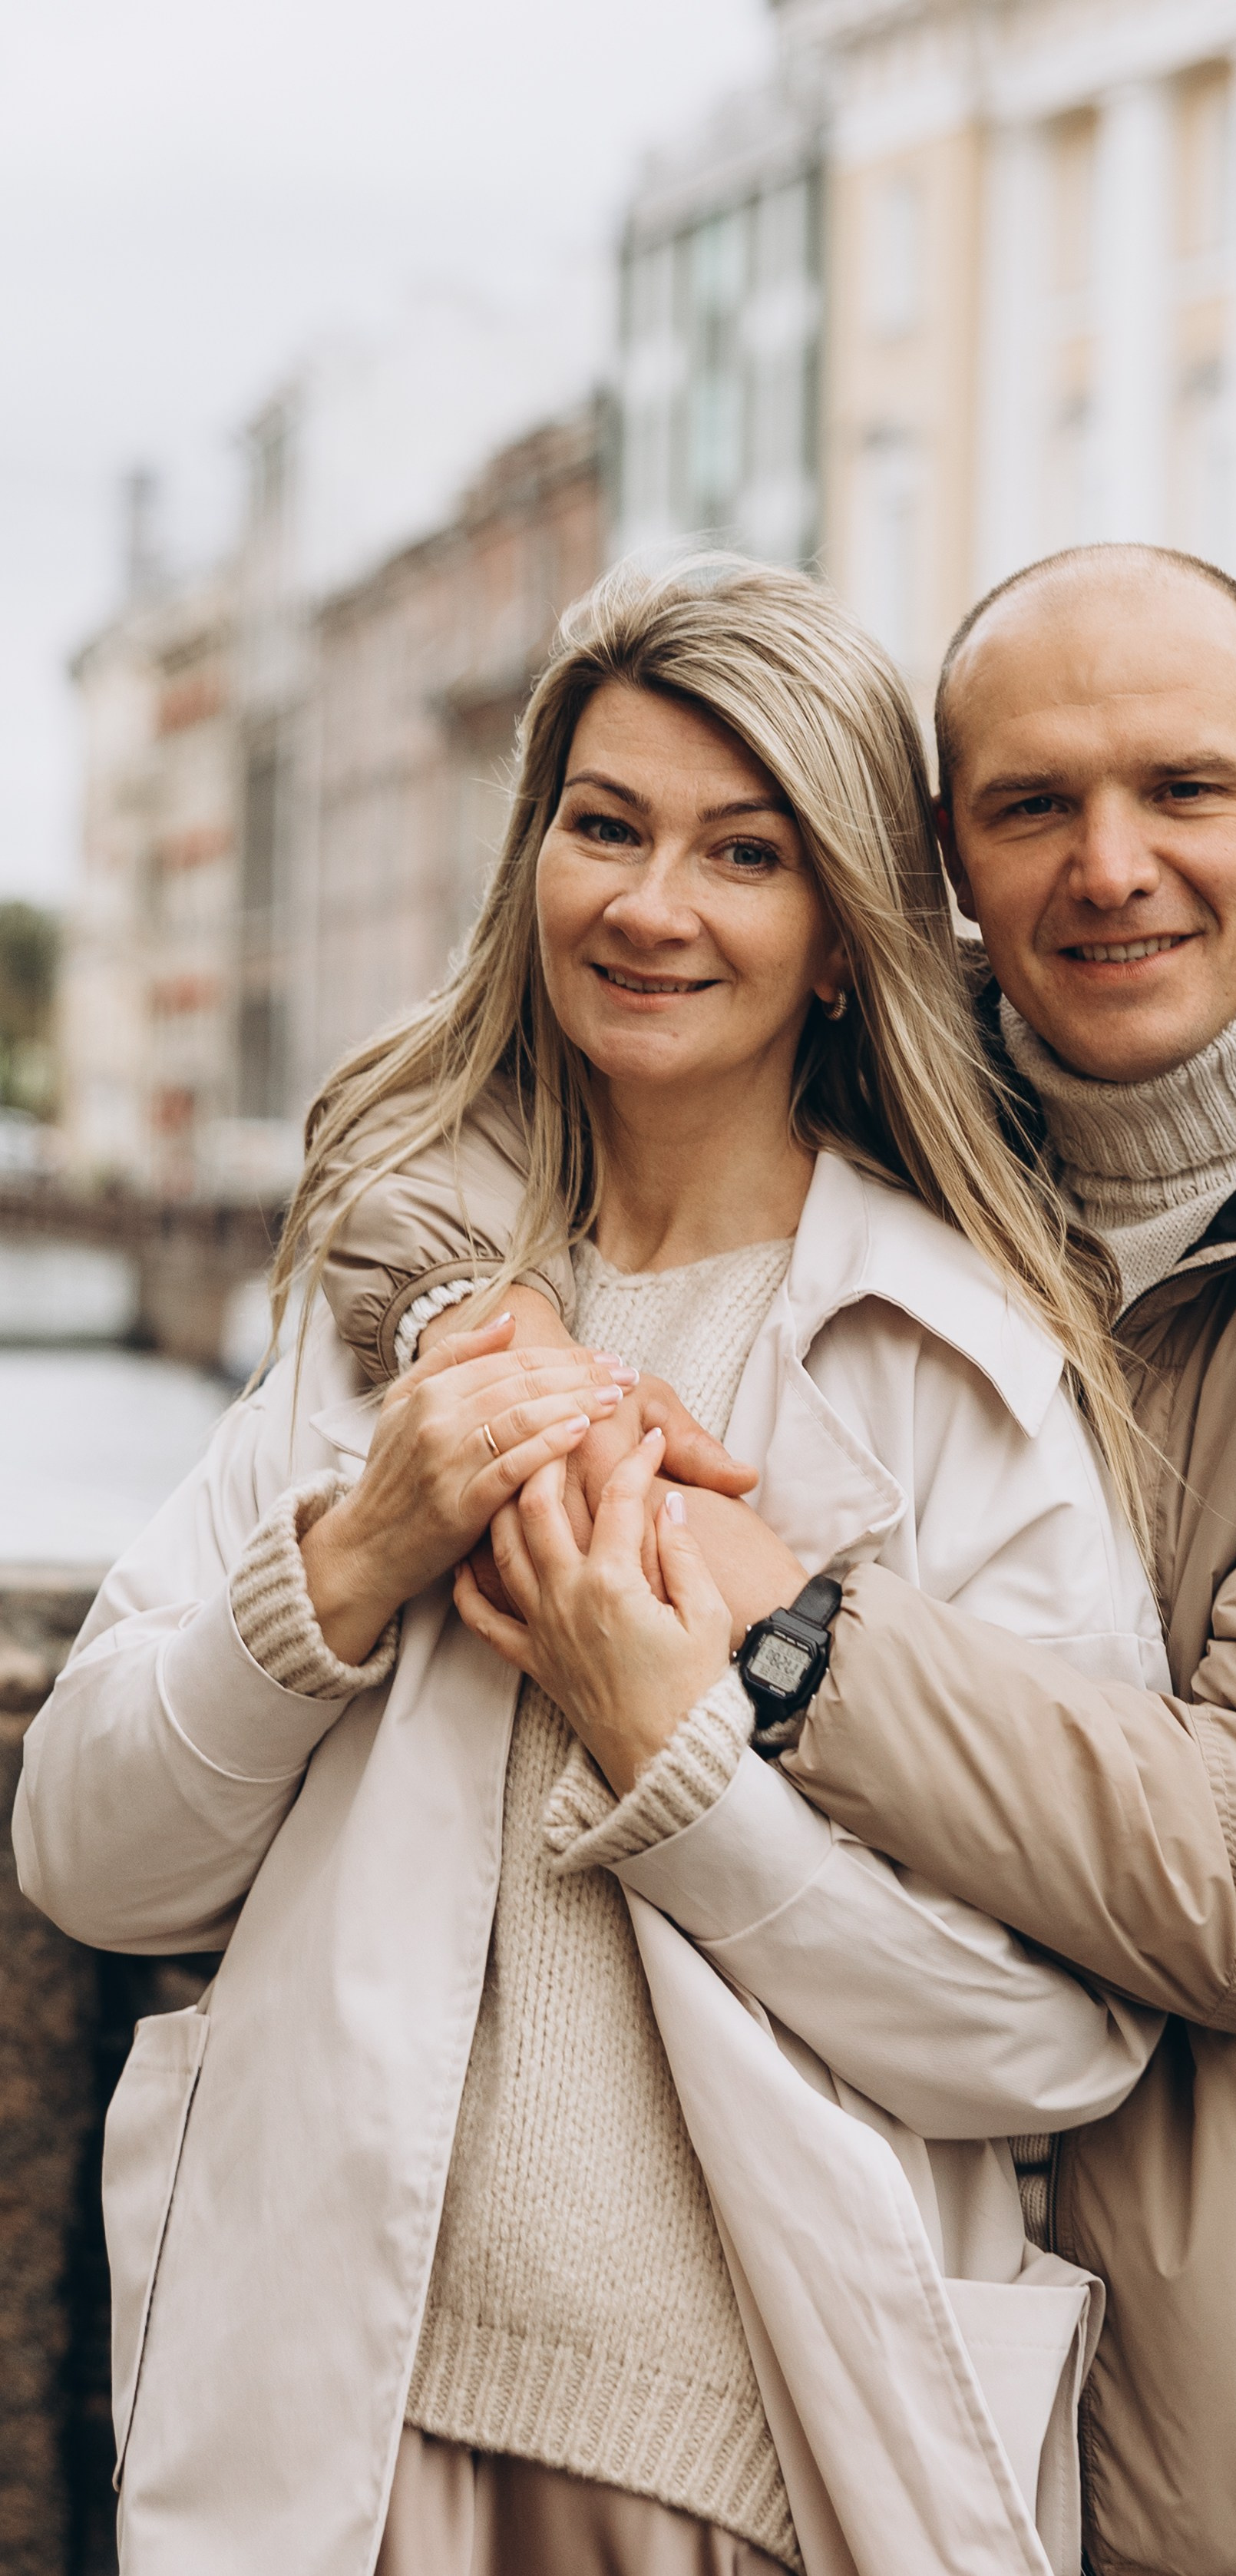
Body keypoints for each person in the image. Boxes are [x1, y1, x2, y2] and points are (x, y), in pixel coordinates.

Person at [325, 545, 1236, 2576]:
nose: (1110, 865)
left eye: (1183, 789)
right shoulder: (906, 1107)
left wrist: (793, 1635)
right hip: (857, 2356)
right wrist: (456, 1337)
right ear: (940, 859)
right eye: (1031, 805)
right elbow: (431, 1125)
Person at [12, 558, 1175, 2576]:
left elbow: (1058, 2037)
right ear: (531, 856)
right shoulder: (388, 1327)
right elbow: (89, 1854)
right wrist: (358, 1554)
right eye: (606, 824)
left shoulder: (952, 1372)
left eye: (745, 850)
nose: (653, 904)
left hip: (760, 2481)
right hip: (334, 2441)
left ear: (838, 939)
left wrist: (683, 1772)